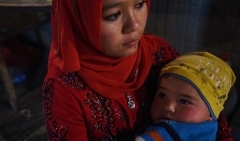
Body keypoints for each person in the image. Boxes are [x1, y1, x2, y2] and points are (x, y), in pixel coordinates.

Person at [42, 0, 234, 140]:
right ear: (80, 19)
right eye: (113, 15)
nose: (134, 25)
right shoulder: (63, 89)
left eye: (139, 3)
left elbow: (207, 106)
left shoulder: (157, 51)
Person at [135, 52, 236, 141]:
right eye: (162, 95)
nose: (168, 107)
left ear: (212, 114)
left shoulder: (178, 132)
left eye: (184, 101)